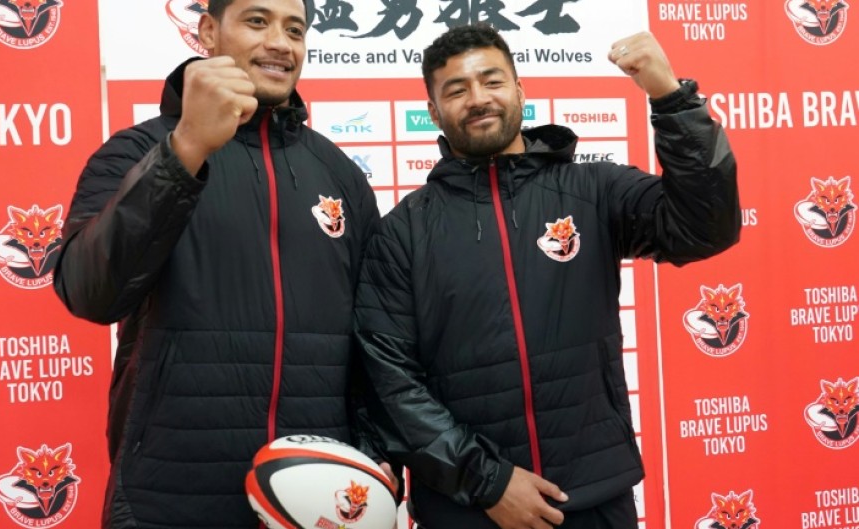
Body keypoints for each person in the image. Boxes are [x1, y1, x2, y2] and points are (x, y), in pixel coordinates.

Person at [354, 24, 741, 529]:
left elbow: (706, 226)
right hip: (468, 508)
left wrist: (671, 100)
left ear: (519, 89)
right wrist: (487, 480)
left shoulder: (592, 190)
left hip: (592, 497)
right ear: (433, 111)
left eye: (491, 81)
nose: (477, 99)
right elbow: (390, 381)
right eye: (456, 89)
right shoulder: (402, 232)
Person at [53, 1, 390, 527]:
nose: (280, 41)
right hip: (170, 497)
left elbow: (375, 337)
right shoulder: (137, 150)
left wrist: (371, 462)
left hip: (316, 502)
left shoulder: (338, 172)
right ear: (208, 31)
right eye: (257, 21)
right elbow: (87, 290)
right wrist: (184, 151)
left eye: (294, 29)